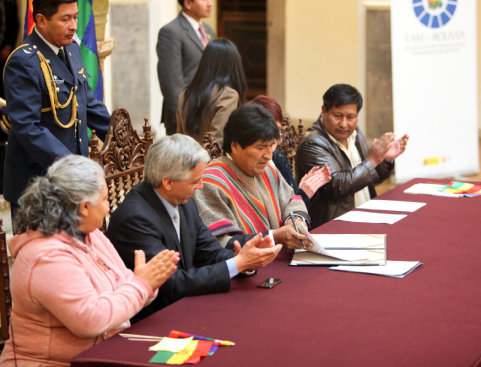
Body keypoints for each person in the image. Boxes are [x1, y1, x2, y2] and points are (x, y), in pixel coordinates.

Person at [0, 155, 179, 366]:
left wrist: (147, 281)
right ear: (84, 207)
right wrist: (142, 284)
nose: (107, 206)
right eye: (104, 199)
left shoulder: (92, 235)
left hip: (105, 352)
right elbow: (91, 319)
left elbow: (124, 283)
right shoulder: (46, 256)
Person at [107, 134, 281, 321]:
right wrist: (237, 264)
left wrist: (245, 262)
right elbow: (170, 283)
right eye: (194, 181)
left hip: (184, 304)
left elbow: (209, 252)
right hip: (153, 319)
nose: (201, 186)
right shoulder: (135, 219)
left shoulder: (183, 201)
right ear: (168, 182)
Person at [2, 0, 111, 217]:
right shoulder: (24, 62)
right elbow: (27, 127)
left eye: (75, 17)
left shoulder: (71, 48)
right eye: (65, 19)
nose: (73, 25)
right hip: (39, 186)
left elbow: (86, 102)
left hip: (73, 183)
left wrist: (118, 134)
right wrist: (72, 165)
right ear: (41, 20)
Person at [194, 104, 312, 249]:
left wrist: (295, 221)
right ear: (235, 146)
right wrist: (273, 237)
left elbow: (292, 200)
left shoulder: (267, 170)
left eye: (272, 145)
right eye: (260, 148)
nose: (268, 156)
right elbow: (219, 243)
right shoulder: (211, 182)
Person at [295, 84, 409, 228]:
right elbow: (337, 186)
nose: (344, 124)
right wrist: (372, 161)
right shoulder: (312, 143)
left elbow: (365, 180)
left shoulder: (354, 134)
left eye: (350, 117)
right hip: (333, 225)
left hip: (365, 215)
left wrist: (384, 160)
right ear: (324, 111)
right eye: (338, 116)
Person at [248, 95, 331, 208]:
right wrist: (303, 194)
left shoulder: (278, 158)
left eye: (279, 130)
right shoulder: (247, 163)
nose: (276, 137)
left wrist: (305, 190)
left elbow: (294, 209)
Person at [157, 0, 215, 135]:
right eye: (204, 0)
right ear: (188, 3)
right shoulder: (171, 32)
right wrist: (185, 117)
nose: (210, 3)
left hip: (208, 113)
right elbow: (171, 82)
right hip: (186, 118)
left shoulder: (208, 30)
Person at [176, 38, 246, 146]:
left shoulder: (186, 93)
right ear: (234, 64)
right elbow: (217, 142)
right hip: (212, 161)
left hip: (186, 158)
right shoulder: (228, 95)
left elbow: (180, 138)